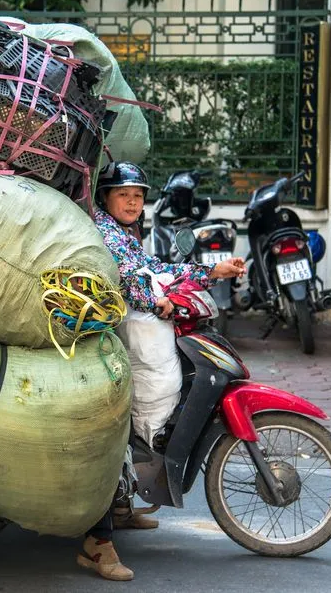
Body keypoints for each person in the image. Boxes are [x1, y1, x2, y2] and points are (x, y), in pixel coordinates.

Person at [77, 161, 246, 582]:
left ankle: (121, 507)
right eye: (123, 194)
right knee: (115, 426)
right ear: (105, 197)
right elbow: (132, 280)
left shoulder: (127, 232)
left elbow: (155, 269)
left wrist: (211, 271)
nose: (133, 201)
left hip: (122, 332)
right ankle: (97, 543)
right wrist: (156, 303)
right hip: (102, 341)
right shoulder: (105, 232)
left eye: (138, 195)